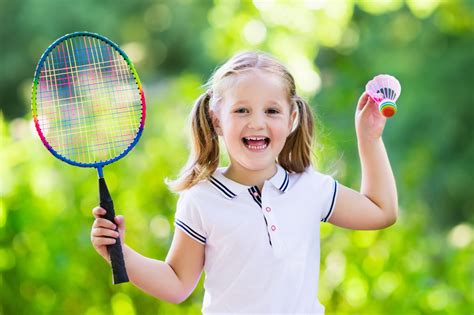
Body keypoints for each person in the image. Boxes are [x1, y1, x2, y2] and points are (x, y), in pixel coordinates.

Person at [90, 51, 398, 314]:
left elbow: (381, 211)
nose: (257, 122)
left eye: (272, 111)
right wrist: (120, 253)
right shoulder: (201, 198)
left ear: (291, 120)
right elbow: (176, 283)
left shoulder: (310, 188)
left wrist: (369, 138)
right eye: (241, 110)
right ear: (217, 120)